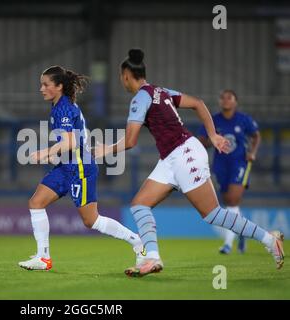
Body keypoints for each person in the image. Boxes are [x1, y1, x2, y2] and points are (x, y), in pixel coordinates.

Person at [94, 49, 284, 277]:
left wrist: (106, 149)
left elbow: (131, 141)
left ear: (126, 75)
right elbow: (198, 103)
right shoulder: (161, 92)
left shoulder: (140, 99)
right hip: (171, 158)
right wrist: (212, 135)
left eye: (120, 77)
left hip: (184, 154)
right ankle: (152, 257)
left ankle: (269, 239)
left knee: (213, 214)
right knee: (139, 205)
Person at [18, 65, 145, 271]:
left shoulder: (64, 108)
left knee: (91, 221)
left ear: (58, 86)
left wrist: (46, 152)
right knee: (36, 202)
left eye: (45, 85)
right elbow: (73, 140)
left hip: (80, 169)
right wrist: (57, 155)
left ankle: (137, 242)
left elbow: (70, 143)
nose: (41, 89)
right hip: (66, 166)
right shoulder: (59, 106)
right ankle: (43, 258)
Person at [198, 89, 261, 254]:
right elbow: (202, 141)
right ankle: (241, 231)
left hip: (239, 163)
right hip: (220, 165)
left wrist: (252, 153)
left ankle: (227, 244)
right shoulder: (213, 120)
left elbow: (256, 136)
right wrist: (212, 139)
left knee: (233, 200)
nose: (225, 100)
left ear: (235, 101)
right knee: (228, 202)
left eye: (229, 97)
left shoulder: (243, 119)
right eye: (222, 97)